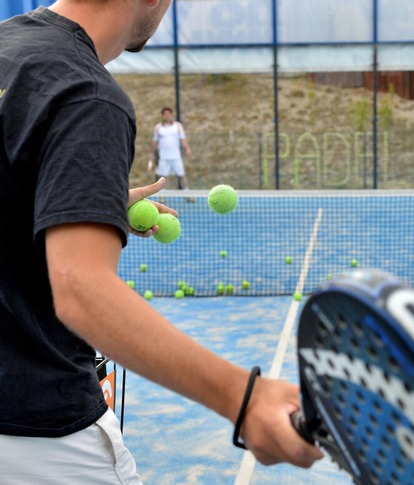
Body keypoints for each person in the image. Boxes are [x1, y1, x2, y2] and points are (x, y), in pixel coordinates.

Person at [0, 1, 322, 483]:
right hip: (44, 428)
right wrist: (244, 398)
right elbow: (80, 290)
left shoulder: (5, 44)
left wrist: (81, 201)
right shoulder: (85, 93)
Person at [148, 106, 192, 190]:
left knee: (181, 176)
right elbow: (154, 142)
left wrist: (187, 149)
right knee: (163, 178)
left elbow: (183, 139)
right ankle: (163, 196)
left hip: (176, 157)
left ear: (172, 115)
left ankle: (187, 194)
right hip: (164, 158)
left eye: (168, 114)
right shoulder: (158, 128)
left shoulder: (178, 126)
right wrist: (151, 153)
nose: (167, 116)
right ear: (162, 116)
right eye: (165, 114)